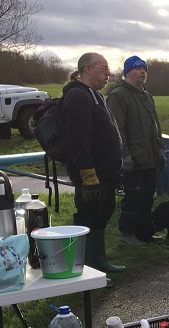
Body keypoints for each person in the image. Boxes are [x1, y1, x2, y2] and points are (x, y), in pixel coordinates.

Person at [62, 52, 124, 278]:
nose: (108, 73)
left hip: (105, 173)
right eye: (103, 68)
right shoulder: (78, 96)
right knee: (88, 217)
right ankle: (87, 271)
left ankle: (99, 261)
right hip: (92, 175)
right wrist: (88, 176)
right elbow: (79, 139)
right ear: (87, 69)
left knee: (101, 215)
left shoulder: (95, 95)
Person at [106, 55, 165, 247]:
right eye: (138, 69)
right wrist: (125, 157)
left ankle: (143, 233)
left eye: (145, 69)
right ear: (127, 72)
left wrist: (161, 150)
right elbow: (117, 129)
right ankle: (127, 233)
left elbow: (156, 126)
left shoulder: (146, 96)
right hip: (133, 158)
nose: (142, 72)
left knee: (147, 196)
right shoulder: (118, 96)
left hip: (150, 157)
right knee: (133, 197)